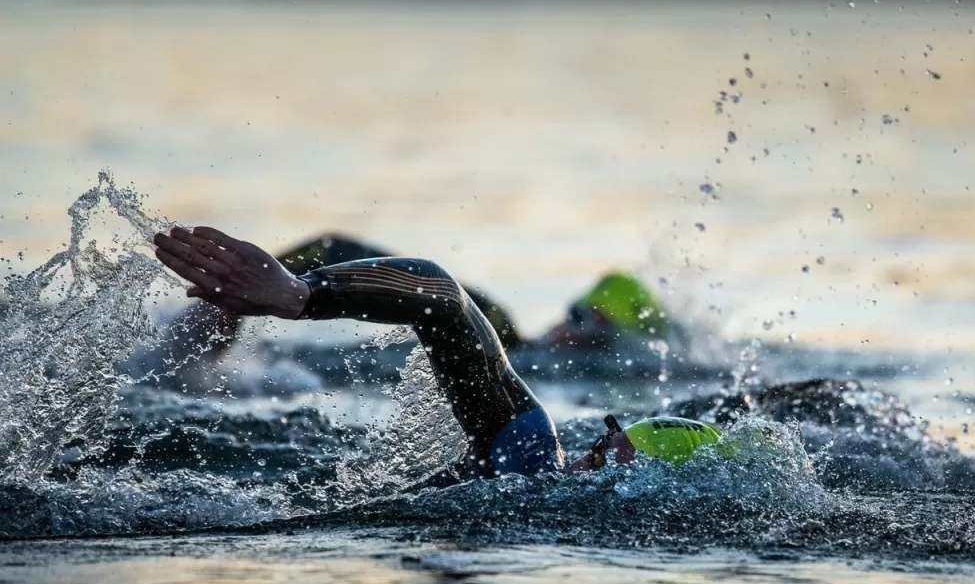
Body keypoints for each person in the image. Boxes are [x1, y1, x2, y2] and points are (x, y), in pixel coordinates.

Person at [152, 226, 718, 485]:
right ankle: (217, 313)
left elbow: (440, 294)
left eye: (599, 453)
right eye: (596, 444)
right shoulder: (534, 462)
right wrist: (288, 293)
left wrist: (299, 295)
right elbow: (433, 291)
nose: (584, 455)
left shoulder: (532, 465)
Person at [160, 232, 671, 365]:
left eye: (597, 327)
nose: (575, 329)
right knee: (336, 249)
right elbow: (340, 247)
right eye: (579, 314)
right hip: (489, 330)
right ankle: (212, 314)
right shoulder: (497, 324)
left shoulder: (584, 374)